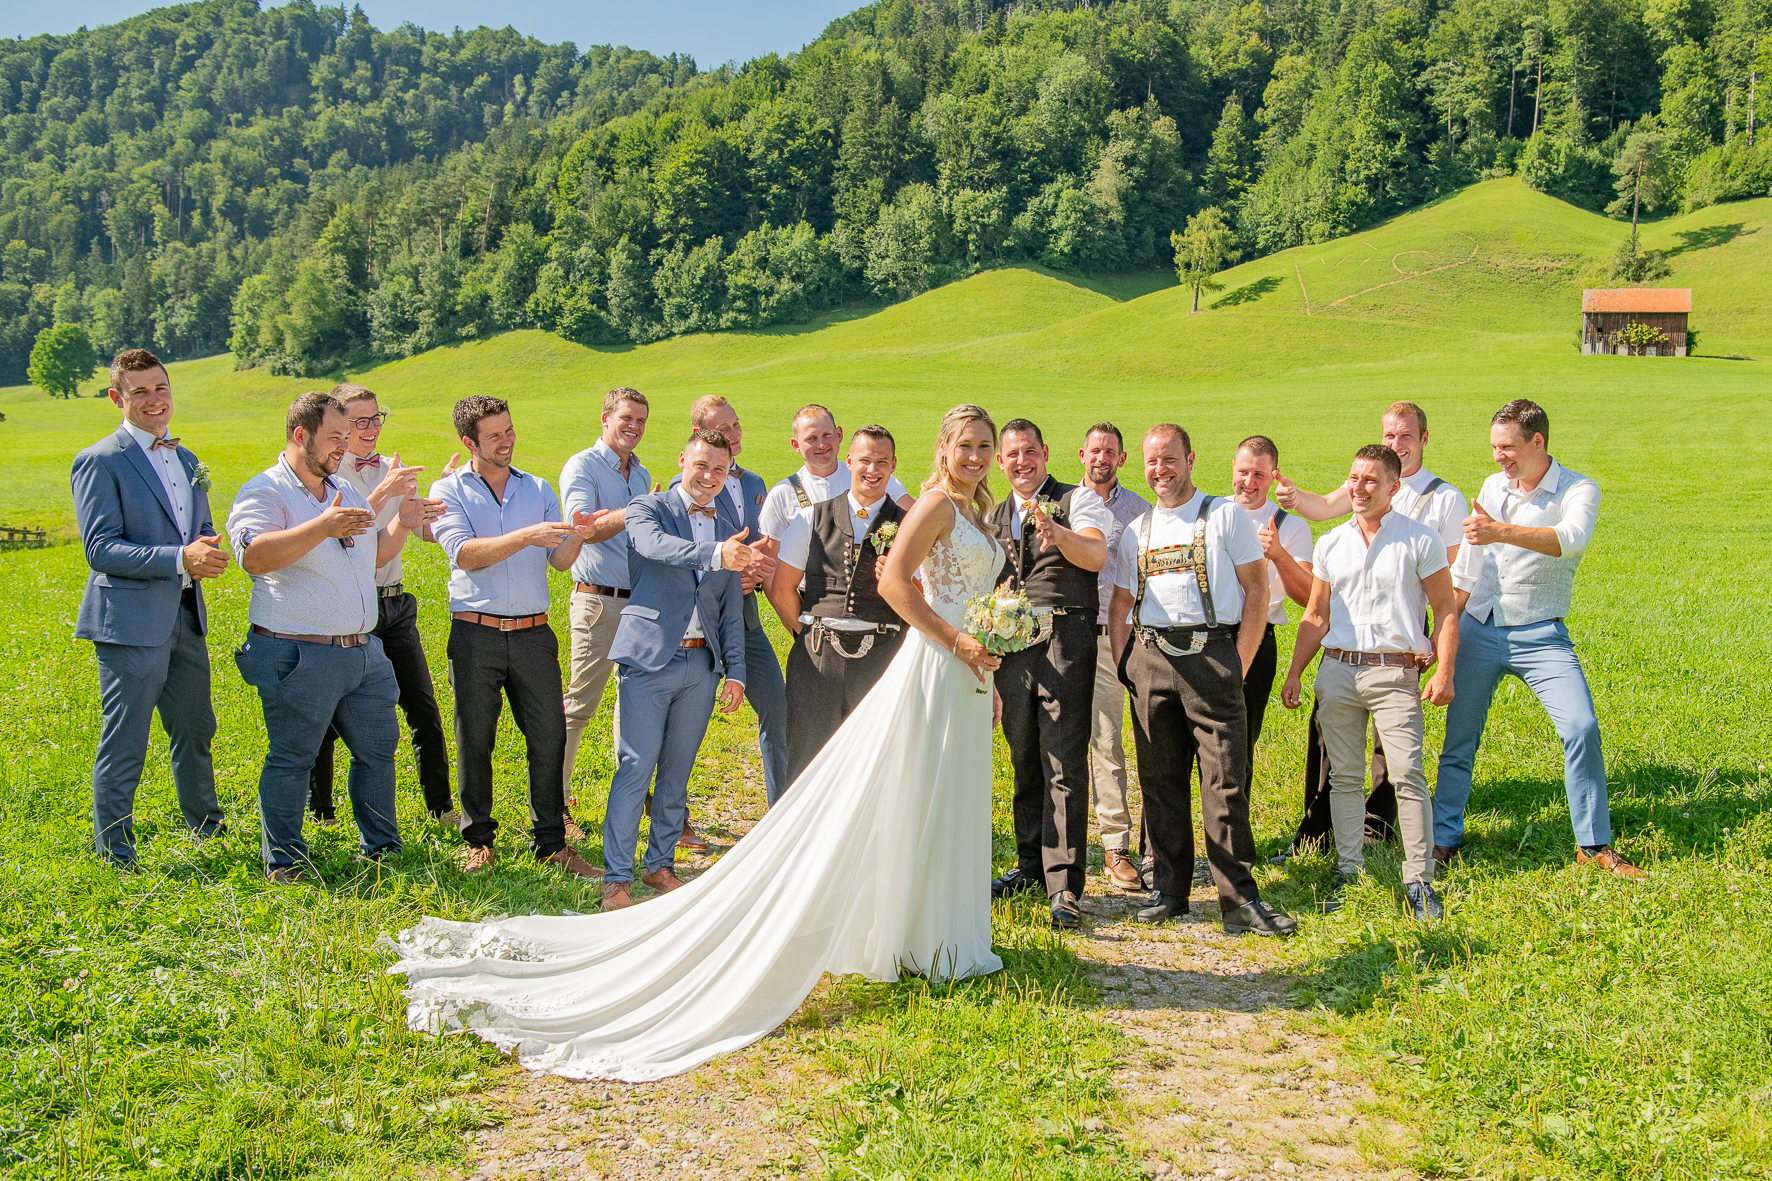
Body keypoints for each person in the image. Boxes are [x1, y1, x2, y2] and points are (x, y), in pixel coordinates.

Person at [389, 403, 1009, 1082]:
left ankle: (929, 927)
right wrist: (954, 641)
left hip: (939, 667)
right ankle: (625, 877)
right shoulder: (923, 504)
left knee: (927, 792)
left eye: (985, 445)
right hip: (882, 658)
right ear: (944, 446)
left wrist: (985, 653)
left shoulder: (970, 510)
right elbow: (886, 583)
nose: (976, 456)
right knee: (645, 766)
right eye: (966, 444)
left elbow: (922, 587)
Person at [227, 391, 439, 881]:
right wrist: (321, 527)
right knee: (293, 757)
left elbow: (372, 555)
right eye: (334, 437)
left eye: (346, 437)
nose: (344, 447)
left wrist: (402, 524)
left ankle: (382, 849)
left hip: (362, 650)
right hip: (298, 651)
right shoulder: (265, 491)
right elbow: (254, 557)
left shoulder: (344, 489)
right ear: (300, 435)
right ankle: (285, 861)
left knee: (377, 749)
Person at [1433, 400, 1643, 878]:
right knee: (1459, 739)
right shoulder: (1493, 486)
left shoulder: (1579, 489)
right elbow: (1467, 568)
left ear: (1538, 442)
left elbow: (1571, 539)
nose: (1498, 457)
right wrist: (1444, 631)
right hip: (1479, 626)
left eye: (1507, 447)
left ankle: (1592, 845)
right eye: (1494, 447)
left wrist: (1499, 530)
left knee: (1581, 727)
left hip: (1541, 633)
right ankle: (1444, 838)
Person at [1107, 424, 1294, 936]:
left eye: (1169, 459)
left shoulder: (1224, 516)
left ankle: (1238, 900)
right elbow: (1121, 603)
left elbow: (1257, 590)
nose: (1160, 470)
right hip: (1150, 658)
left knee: (1225, 781)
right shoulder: (1137, 530)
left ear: (1190, 460)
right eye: (1152, 461)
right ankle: (1171, 890)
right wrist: (1126, 665)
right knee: (1160, 781)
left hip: (1212, 656)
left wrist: (1239, 663)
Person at [1275, 401, 1467, 852]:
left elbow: (1452, 585)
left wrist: (1435, 647)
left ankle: (1377, 830)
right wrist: (1293, 497)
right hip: (1347, 633)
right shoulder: (1361, 486)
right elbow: (1324, 507)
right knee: (1334, 745)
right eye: (1389, 435)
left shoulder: (1443, 498)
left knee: (1394, 750)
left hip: (1404, 626)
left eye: (1406, 435)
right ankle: (1324, 833)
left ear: (1424, 439)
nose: (1396, 443)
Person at [430, 396, 602, 879]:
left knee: (549, 736)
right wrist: (527, 535)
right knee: (475, 739)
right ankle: (479, 842)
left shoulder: (538, 488)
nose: (506, 441)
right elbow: (464, 554)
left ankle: (551, 844)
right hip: (476, 633)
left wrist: (578, 536)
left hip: (533, 634)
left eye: (508, 430)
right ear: (469, 442)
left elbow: (560, 561)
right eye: (494, 435)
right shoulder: (448, 490)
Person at [72, 348, 229, 867]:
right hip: (130, 623)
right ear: (116, 398)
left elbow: (197, 526)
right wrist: (180, 557)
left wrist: (205, 544)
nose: (154, 399)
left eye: (160, 387)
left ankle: (207, 829)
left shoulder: (186, 458)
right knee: (126, 739)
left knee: (195, 728)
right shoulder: (100, 460)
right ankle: (115, 852)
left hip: (186, 615)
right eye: (139, 391)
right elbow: (101, 550)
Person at [598, 429, 755, 909]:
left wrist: (735, 669)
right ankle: (616, 879)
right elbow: (655, 547)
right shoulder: (648, 508)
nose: (709, 476)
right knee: (635, 767)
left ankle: (659, 866)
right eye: (701, 465)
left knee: (677, 772)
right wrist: (716, 553)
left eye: (719, 469)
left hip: (701, 664)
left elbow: (730, 606)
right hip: (648, 660)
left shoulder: (728, 523)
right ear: (682, 460)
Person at [306, 383, 455, 827]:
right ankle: (322, 811)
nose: (371, 428)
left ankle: (441, 808)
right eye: (359, 421)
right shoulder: (326, 474)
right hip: (348, 608)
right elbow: (341, 533)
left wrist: (443, 497)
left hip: (394, 604)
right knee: (330, 714)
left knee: (423, 708)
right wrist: (385, 490)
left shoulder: (393, 467)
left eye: (376, 418)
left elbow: (421, 531)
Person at [985, 419, 1112, 929]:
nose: (1022, 462)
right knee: (1024, 758)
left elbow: (1096, 554)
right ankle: (1030, 866)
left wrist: (1056, 533)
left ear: (1045, 452)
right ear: (1001, 462)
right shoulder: (992, 514)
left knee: (1063, 761)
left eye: (1030, 452)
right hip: (1011, 648)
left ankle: (1063, 884)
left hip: (1065, 639)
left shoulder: (1077, 500)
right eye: (1012, 454)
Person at [769, 424, 908, 785]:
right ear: (849, 461)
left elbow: (924, 595)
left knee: (874, 766)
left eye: (882, 462)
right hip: (818, 656)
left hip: (884, 656)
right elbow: (782, 588)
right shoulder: (811, 517)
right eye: (865, 460)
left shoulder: (909, 526)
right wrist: (808, 635)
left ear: (894, 465)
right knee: (806, 761)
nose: (872, 470)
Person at [674, 395, 788, 815]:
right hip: (699, 624)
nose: (734, 434)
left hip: (745, 618)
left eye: (736, 424)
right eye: (723, 429)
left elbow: (763, 541)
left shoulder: (756, 483)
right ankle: (677, 817)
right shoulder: (685, 487)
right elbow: (684, 553)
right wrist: (727, 569)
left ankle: (781, 813)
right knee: (685, 727)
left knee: (777, 707)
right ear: (698, 435)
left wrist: (758, 569)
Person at [559, 388, 652, 830]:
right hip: (598, 600)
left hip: (638, 602)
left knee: (633, 703)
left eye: (641, 421)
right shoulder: (583, 466)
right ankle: (555, 804)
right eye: (626, 418)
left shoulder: (641, 472)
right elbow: (584, 528)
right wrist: (638, 509)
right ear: (605, 418)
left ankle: (634, 797)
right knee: (579, 704)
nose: (634, 427)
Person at [1076, 422, 1152, 893]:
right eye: (1095, 450)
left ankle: (1116, 845)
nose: (1101, 457)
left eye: (1110, 451)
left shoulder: (1140, 512)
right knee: (1061, 742)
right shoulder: (1063, 503)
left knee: (1108, 741)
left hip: (1115, 636)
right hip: (1064, 636)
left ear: (1121, 459)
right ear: (1081, 454)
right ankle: (1056, 846)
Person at [1231, 436, 1316, 787]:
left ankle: (1233, 816)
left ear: (1274, 476)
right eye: (1243, 472)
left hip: (1257, 640)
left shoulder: (1292, 527)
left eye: (1259, 475)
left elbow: (1309, 596)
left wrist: (1279, 555)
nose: (1249, 482)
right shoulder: (1211, 514)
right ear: (1232, 469)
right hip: (1207, 635)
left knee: (1239, 743)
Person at [756, 404, 912, 548]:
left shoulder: (872, 478)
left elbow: (916, 519)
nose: (822, 445)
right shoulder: (781, 494)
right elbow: (770, 562)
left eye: (827, 435)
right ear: (796, 445)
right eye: (811, 438)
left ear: (839, 435)